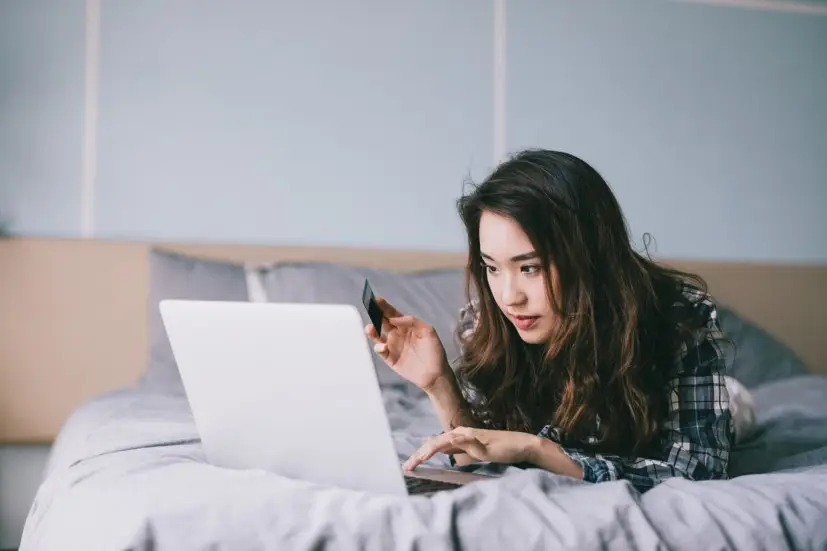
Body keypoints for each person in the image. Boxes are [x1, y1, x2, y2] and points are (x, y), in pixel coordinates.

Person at [366, 148, 737, 493]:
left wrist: (539, 450)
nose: (510, 297)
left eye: (530, 268)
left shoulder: (679, 320)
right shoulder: (486, 321)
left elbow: (698, 469)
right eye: (492, 268)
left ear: (589, 258)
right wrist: (439, 383)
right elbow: (479, 449)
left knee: (738, 408)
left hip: (697, 400)